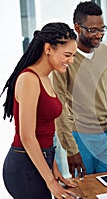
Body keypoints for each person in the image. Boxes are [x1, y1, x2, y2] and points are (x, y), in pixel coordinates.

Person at [1, 22, 78, 199]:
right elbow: (27, 136)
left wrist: (54, 167)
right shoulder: (29, 78)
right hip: (25, 166)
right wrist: (50, 181)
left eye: (73, 56)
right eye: (67, 55)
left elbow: (44, 130)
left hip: (41, 160)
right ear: (48, 48)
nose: (71, 61)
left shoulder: (45, 77)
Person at [52, 1, 107, 177]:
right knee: (85, 189)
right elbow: (59, 106)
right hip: (80, 136)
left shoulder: (106, 52)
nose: (99, 35)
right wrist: (71, 149)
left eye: (102, 29)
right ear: (77, 28)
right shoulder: (66, 59)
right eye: (93, 30)